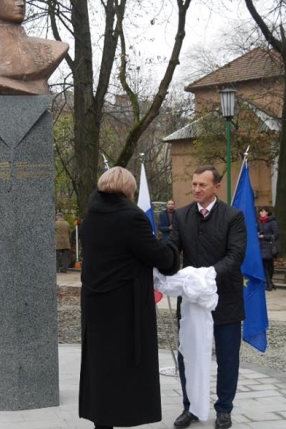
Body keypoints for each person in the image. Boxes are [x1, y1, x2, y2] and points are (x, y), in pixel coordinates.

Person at [78, 167, 179, 429]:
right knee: (124, 369)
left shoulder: (90, 218)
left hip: (96, 305)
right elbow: (163, 260)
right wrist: (172, 248)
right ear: (127, 189)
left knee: (101, 368)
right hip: (125, 308)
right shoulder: (130, 218)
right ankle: (121, 417)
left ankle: (102, 421)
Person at [168, 165, 246, 429]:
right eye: (194, 184)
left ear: (216, 187)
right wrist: (159, 263)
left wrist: (209, 276)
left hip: (225, 298)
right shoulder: (180, 216)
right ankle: (190, 407)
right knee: (188, 354)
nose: (196, 190)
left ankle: (224, 409)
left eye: (202, 185)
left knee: (227, 357)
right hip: (191, 300)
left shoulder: (233, 216)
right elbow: (171, 249)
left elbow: (236, 255)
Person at [257, 206, 279, 291]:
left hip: (270, 246)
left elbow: (276, 235)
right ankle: (268, 283)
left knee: (270, 265)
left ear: (267, 212)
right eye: (260, 211)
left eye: (263, 211)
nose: (261, 213)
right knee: (264, 265)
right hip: (261, 246)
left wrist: (264, 236)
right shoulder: (259, 221)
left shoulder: (273, 222)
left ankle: (269, 282)